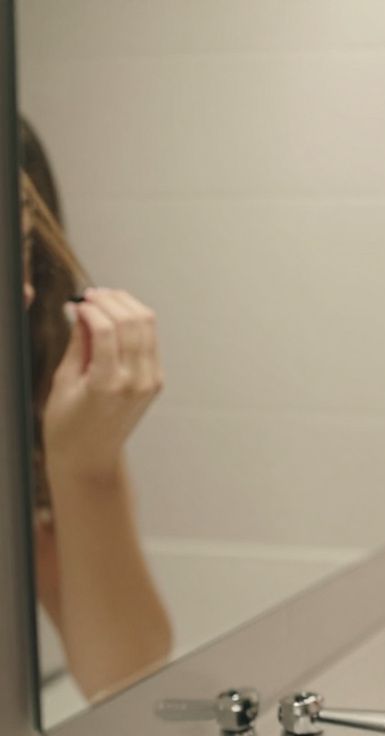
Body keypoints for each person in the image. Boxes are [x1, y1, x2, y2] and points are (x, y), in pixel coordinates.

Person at [20, 116, 173, 704]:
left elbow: (122, 679)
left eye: (23, 247)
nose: (23, 289)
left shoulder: (27, 417)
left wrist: (85, 465)